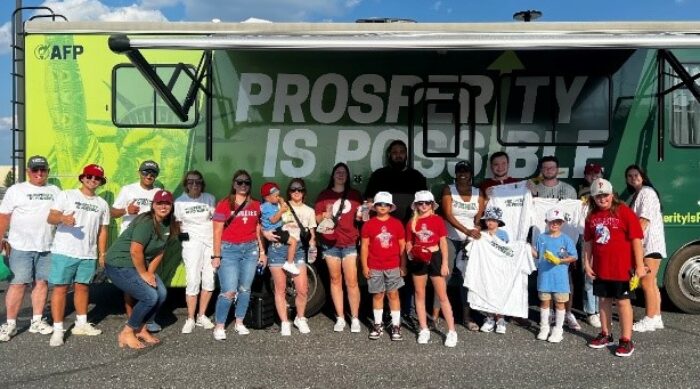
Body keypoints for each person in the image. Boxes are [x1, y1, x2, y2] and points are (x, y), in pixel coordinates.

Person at [46, 164, 110, 346]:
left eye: (97, 178)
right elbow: (51, 217)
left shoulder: (102, 204)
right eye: (89, 176)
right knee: (60, 289)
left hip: (88, 254)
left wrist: (102, 252)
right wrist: (63, 219)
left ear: (100, 182)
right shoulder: (67, 195)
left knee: (83, 288)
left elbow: (102, 231)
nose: (92, 180)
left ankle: (81, 324)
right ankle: (58, 330)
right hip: (64, 251)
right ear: (82, 178)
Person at [104, 190, 176, 349]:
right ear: (153, 205)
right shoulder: (146, 222)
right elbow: (135, 251)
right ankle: (127, 332)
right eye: (159, 203)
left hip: (137, 264)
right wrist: (143, 274)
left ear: (172, 206)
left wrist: (150, 273)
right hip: (119, 263)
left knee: (161, 293)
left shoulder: (168, 223)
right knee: (149, 296)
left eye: (167, 203)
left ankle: (142, 329)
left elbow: (160, 251)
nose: (163, 206)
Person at [0, 156, 60, 342]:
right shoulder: (16, 190)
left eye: (43, 170)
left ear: (48, 171)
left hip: (47, 246)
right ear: (28, 171)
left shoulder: (55, 190)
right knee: (18, 284)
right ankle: (10, 324)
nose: (39, 173)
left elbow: (60, 213)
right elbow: (4, 216)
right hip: (21, 246)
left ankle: (37, 320)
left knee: (41, 283)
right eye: (35, 170)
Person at [584, 178, 646, 357]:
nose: (602, 199)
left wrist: (640, 265)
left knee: (622, 302)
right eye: (598, 196)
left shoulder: (624, 212)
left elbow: (636, 239)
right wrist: (587, 263)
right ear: (593, 198)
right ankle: (606, 333)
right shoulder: (592, 217)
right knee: (603, 301)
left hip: (622, 268)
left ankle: (626, 340)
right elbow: (588, 242)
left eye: (605, 195)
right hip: (601, 268)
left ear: (612, 195)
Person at [110, 160, 164, 333]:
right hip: (129, 244)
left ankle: (146, 320)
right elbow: (112, 212)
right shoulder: (128, 189)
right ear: (139, 172)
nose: (149, 175)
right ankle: (132, 318)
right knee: (131, 283)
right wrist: (126, 210)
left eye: (153, 173)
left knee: (148, 281)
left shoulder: (158, 192)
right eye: (146, 172)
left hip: (150, 245)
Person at [211, 170, 265, 340]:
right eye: (240, 182)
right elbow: (217, 231)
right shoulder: (224, 204)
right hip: (229, 250)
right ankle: (219, 325)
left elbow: (258, 229)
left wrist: (262, 252)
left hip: (250, 249)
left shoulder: (256, 205)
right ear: (234, 184)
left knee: (245, 288)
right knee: (229, 290)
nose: (243, 185)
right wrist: (217, 255)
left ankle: (239, 322)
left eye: (246, 183)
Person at [530, 155, 581, 331]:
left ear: (557, 170)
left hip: (564, 242)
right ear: (541, 170)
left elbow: (575, 215)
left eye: (552, 168)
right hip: (545, 240)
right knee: (545, 279)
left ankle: (567, 313)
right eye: (545, 168)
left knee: (566, 280)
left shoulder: (569, 190)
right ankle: (549, 314)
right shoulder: (535, 190)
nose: (548, 171)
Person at [315, 163, 363, 333]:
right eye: (338, 172)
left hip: (349, 242)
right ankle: (341, 317)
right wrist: (324, 216)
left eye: (344, 172)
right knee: (335, 280)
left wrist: (362, 214)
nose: (341, 175)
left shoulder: (354, 195)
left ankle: (355, 318)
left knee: (352, 282)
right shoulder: (324, 195)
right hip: (330, 243)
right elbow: (317, 219)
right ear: (333, 175)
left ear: (347, 176)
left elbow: (362, 218)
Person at [406, 190, 458, 347]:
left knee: (442, 296)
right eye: (420, 203)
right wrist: (410, 253)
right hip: (419, 259)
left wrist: (444, 263)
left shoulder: (437, 220)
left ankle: (451, 331)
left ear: (431, 205)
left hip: (435, 257)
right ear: (416, 205)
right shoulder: (411, 222)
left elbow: (443, 242)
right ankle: (423, 329)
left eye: (427, 203)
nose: (423, 206)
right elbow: (409, 242)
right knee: (419, 294)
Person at [440, 160, 483, 331]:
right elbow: (448, 215)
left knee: (468, 277)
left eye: (466, 171)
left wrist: (476, 229)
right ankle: (439, 314)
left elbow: (479, 217)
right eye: (460, 171)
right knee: (445, 274)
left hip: (469, 240)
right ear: (455, 174)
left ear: (471, 174)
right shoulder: (448, 190)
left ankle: (466, 317)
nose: (463, 174)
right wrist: (466, 230)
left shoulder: (478, 192)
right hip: (450, 237)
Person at [272, 178, 317, 335]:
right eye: (293, 189)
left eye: (300, 189)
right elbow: (269, 223)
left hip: (298, 250)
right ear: (288, 191)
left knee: (302, 288)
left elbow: (312, 234)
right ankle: (285, 322)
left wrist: (312, 243)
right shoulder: (280, 206)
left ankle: (300, 317)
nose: (296, 192)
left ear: (304, 192)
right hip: (279, 248)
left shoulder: (309, 211)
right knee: (280, 288)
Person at [174, 170, 216, 334]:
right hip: (191, 245)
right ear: (186, 184)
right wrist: (183, 238)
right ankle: (190, 318)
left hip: (210, 243)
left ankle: (202, 315)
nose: (194, 185)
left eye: (198, 182)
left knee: (209, 280)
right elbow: (178, 225)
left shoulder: (210, 199)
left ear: (202, 184)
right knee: (192, 280)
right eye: (191, 182)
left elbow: (215, 222)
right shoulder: (179, 202)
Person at [625, 165, 667, 332]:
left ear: (643, 176)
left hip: (649, 244)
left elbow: (644, 221)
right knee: (653, 283)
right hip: (650, 244)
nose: (633, 177)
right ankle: (656, 317)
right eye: (629, 176)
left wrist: (632, 242)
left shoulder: (647, 192)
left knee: (646, 282)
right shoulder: (638, 194)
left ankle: (649, 319)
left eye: (636, 174)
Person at [360, 191, 407, 341]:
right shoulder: (369, 224)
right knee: (378, 294)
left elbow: (402, 246)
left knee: (393, 294)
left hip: (393, 264)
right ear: (374, 206)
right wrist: (364, 266)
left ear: (390, 206)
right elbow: (365, 247)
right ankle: (378, 324)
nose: (382, 206)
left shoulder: (397, 223)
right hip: (374, 265)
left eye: (386, 204)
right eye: (379, 204)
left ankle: (395, 325)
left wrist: (403, 264)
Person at [533, 208, 578, 343]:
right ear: (547, 221)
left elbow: (574, 256)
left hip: (560, 278)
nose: (555, 224)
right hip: (544, 277)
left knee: (559, 303)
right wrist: (527, 249)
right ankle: (544, 327)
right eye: (552, 221)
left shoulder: (566, 239)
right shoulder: (541, 237)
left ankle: (558, 330)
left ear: (562, 223)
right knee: (544, 302)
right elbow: (538, 254)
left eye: (558, 222)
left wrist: (561, 260)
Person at [364, 139, 427, 222]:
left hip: (411, 225)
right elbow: (369, 200)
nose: (398, 155)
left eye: (402, 152)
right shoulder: (378, 175)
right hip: (383, 225)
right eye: (394, 152)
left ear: (406, 155)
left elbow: (425, 203)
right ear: (389, 155)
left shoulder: (417, 176)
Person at [578, 162, 603, 328]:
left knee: (602, 274)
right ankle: (590, 312)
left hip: (603, 237)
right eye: (589, 174)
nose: (593, 177)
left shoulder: (608, 191)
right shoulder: (581, 192)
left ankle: (600, 308)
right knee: (589, 275)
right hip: (586, 237)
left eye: (596, 174)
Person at [477, 207, 510, 334]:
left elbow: (507, 250)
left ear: (498, 222)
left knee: (500, 292)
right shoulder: (482, 234)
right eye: (488, 220)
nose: (490, 223)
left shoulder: (503, 235)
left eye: (493, 220)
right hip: (486, 267)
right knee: (488, 292)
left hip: (500, 268)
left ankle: (500, 318)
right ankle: (490, 317)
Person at [260, 182, 300, 275]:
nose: (278, 197)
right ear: (267, 197)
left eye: (278, 195)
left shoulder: (273, 204)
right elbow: (273, 220)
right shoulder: (266, 207)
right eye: (275, 196)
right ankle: (290, 263)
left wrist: (281, 202)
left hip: (279, 228)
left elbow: (284, 207)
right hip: (275, 231)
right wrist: (281, 211)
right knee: (293, 242)